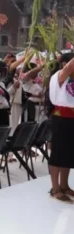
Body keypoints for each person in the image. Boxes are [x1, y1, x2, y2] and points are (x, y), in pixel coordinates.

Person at [47, 52, 74, 202]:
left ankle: (64, 185)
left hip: (72, 118)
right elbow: (70, 66)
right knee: (58, 153)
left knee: (68, 154)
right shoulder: (59, 75)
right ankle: (55, 188)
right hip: (61, 118)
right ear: (64, 64)